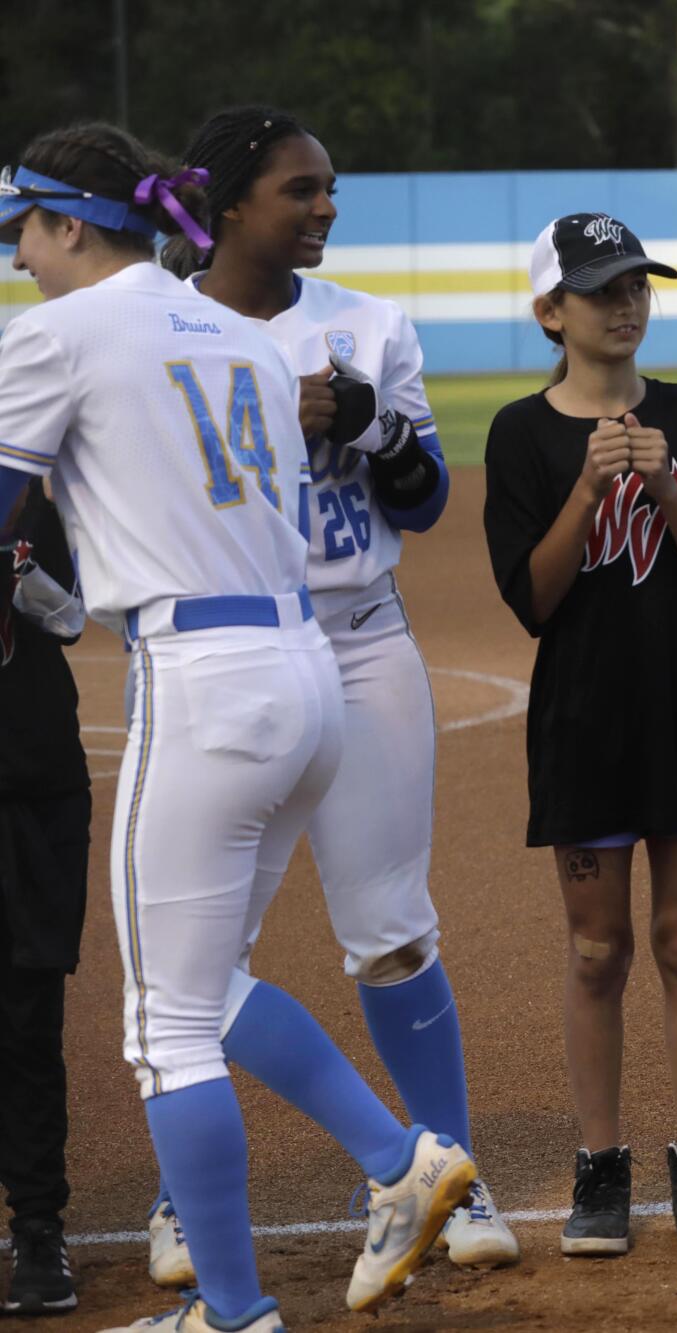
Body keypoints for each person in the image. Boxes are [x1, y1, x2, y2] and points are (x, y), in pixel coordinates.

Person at [0, 122, 473, 1331]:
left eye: (25, 236)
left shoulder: (53, 333)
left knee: (164, 1027)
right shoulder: (241, 338)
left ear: (66, 225)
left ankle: (234, 1307)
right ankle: (397, 1160)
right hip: (310, 667)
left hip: (201, 677)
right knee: (206, 988)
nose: (23, 261)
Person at [136, 104, 518, 1281]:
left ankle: (445, 1170)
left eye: (329, 188)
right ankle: (179, 1197)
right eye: (299, 190)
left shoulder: (368, 325)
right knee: (202, 948)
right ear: (229, 204)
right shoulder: (157, 325)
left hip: (358, 640)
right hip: (228, 650)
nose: (324, 209)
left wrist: (362, 416)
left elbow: (422, 500)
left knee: (392, 930)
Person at [483, 212, 677, 1258]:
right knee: (597, 948)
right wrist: (589, 486)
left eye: (637, 284)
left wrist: (666, 488)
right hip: (583, 724)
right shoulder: (521, 433)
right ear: (552, 313)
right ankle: (599, 1171)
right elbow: (535, 599)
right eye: (600, 290)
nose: (626, 303)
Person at [0, 482, 87, 1316]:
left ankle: (37, 1227)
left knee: (29, 1021)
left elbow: (72, 616)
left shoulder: (31, 504)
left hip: (35, 787)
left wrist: (19, 576)